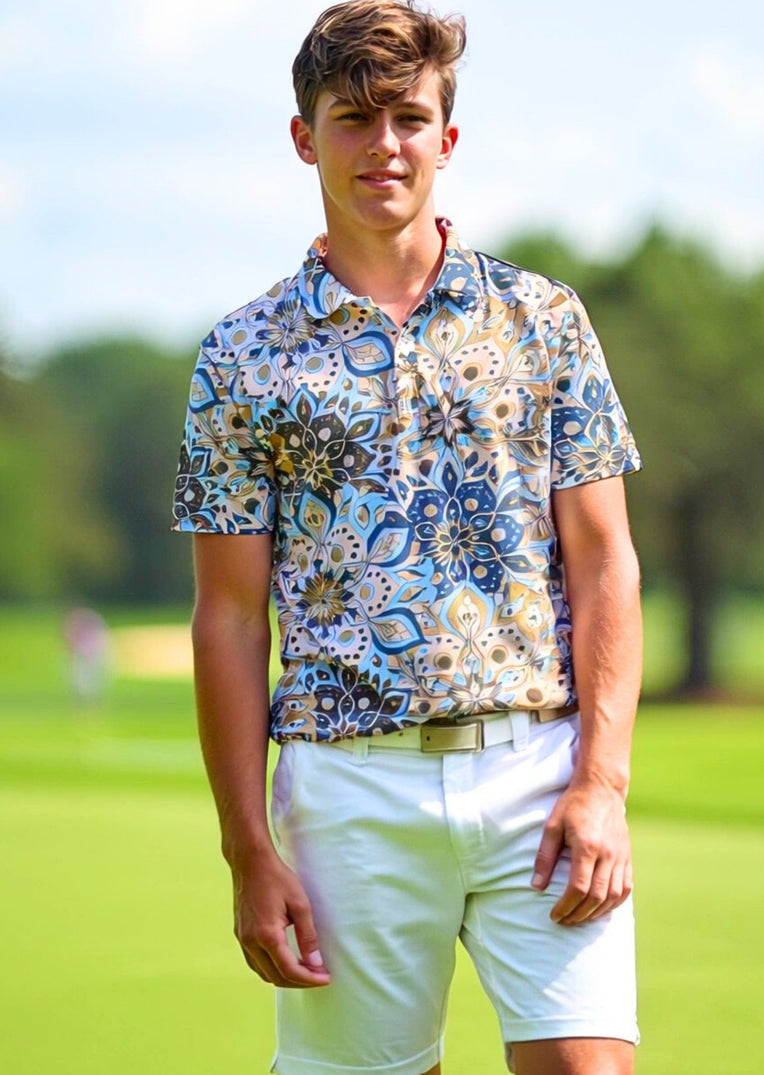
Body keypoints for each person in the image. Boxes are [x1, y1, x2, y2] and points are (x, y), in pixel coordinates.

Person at [172, 2, 643, 1073]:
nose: (383, 144)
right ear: (305, 137)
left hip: (539, 772)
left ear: (447, 136)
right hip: (348, 789)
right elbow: (229, 616)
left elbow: (604, 560)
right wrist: (247, 849)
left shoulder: (543, 319)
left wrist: (601, 783)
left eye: (409, 118)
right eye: (353, 118)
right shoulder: (240, 355)